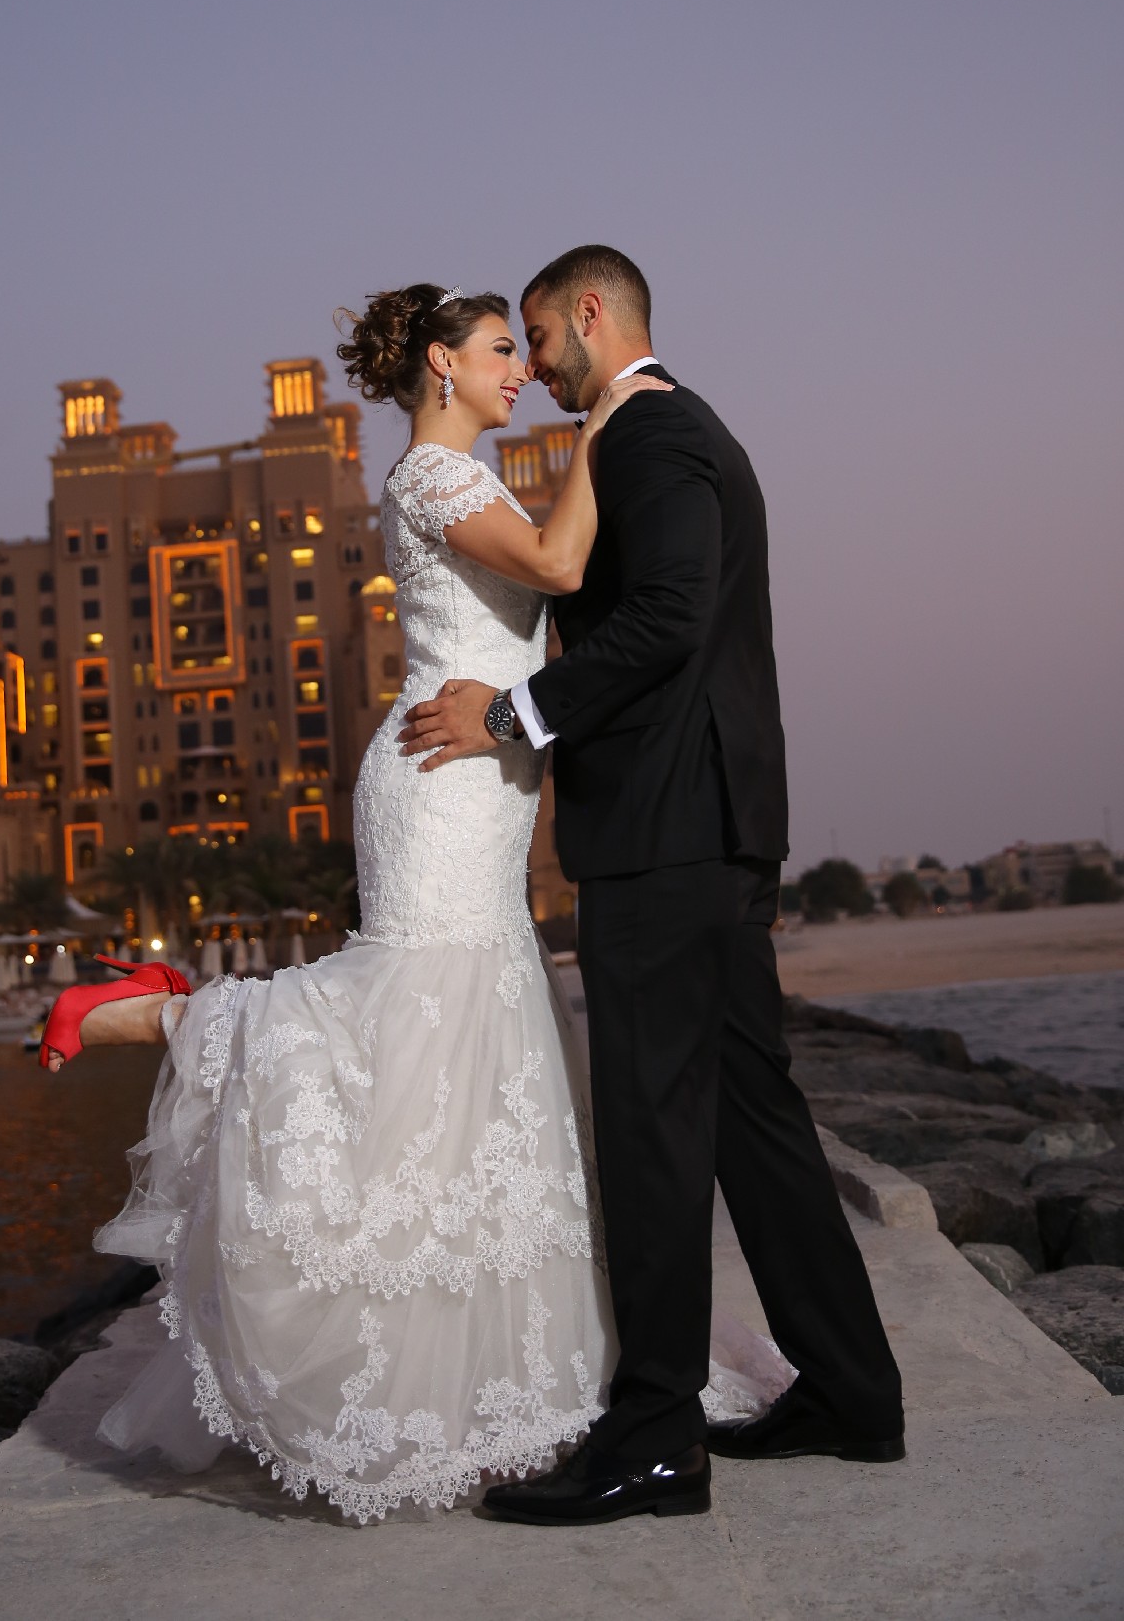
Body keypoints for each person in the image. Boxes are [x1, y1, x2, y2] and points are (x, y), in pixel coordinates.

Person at [38, 280, 789, 1525]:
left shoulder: (468, 476)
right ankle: (159, 1013)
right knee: (404, 1016)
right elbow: (559, 563)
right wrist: (607, 425)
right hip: (438, 784)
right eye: (499, 350)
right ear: (441, 364)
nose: (520, 371)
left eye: (523, 350)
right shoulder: (433, 478)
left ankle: (510, 1369)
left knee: (470, 1048)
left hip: (483, 785)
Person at [404, 245, 905, 1527]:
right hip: (710, 823)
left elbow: (669, 613)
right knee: (749, 1120)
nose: (534, 365)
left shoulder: (647, 433)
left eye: (537, 336)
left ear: (589, 313)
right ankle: (851, 1391)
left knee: (650, 1132)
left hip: (666, 831)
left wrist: (513, 711)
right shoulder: (681, 427)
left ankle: (651, 1442)